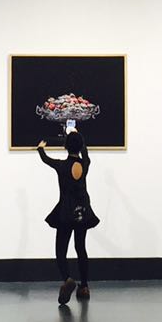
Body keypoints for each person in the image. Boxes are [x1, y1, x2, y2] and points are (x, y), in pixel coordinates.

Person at [37, 129, 100, 305]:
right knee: (81, 248)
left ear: (65, 147)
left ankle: (67, 279)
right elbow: (85, 153)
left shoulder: (61, 166)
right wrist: (80, 138)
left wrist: (40, 148)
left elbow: (46, 159)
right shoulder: (85, 164)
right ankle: (84, 287)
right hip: (82, 212)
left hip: (65, 213)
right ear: (80, 147)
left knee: (61, 250)